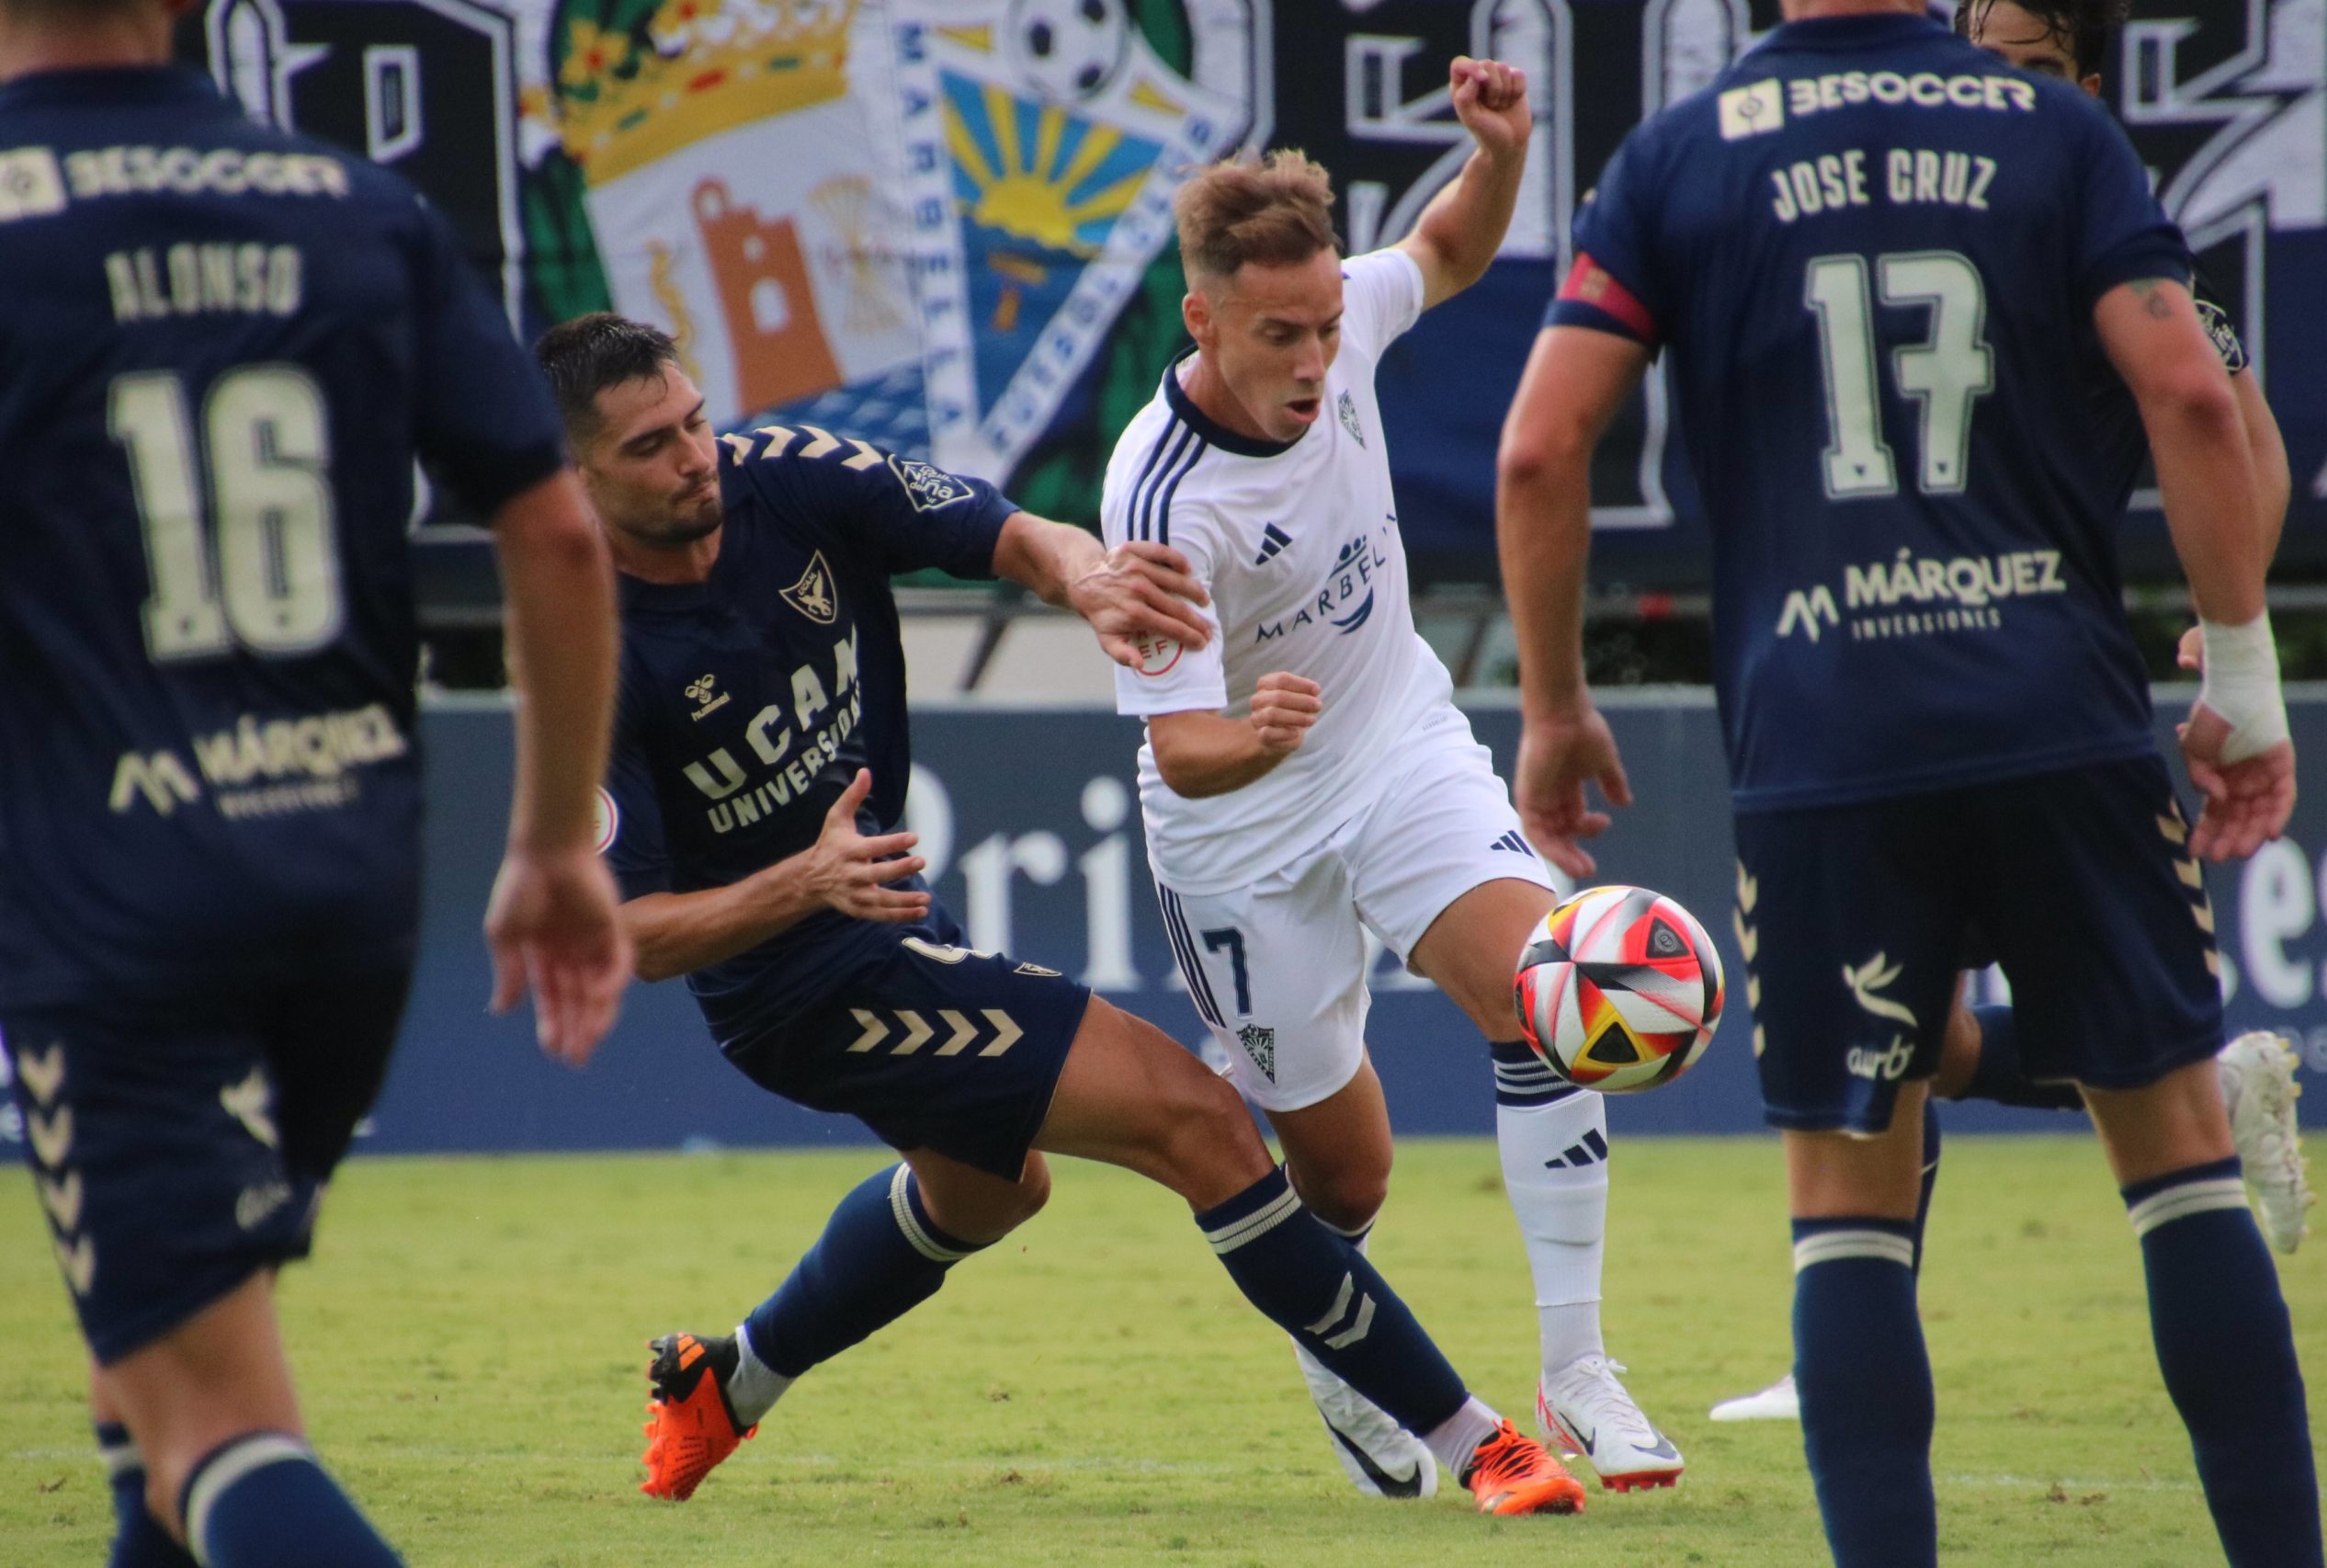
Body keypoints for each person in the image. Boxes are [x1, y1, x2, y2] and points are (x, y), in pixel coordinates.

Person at [1494, 0, 2321, 1558]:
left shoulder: (1677, 155)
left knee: (1849, 1209)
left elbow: (1540, 450)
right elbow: (2202, 399)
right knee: (2181, 1175)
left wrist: (1552, 704)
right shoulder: (2056, 133)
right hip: (2058, 711)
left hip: (1827, 738)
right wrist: (2244, 676)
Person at [531, 313, 1587, 1518]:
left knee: (991, 1195)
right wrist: (803, 884)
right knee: (1199, 1122)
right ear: (575, 475)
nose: (693, 458)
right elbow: (624, 935)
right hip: (798, 989)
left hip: (881, 924)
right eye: (650, 447)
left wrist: (1087, 578)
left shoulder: (788, 476)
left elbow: (1006, 531)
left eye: (693, 422)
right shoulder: (583, 653)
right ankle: (1479, 1442)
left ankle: (725, 1383)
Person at [0, 2, 633, 1565]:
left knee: (215, 1426)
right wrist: (556, 841)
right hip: (345, 882)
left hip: (115, 894)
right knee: (158, 1372)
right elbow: (557, 534)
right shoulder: (357, 207)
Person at [1703, 0, 2314, 1426]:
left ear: (2088, 85)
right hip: (1919, 691)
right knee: (1918, 1039)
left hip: (2032, 700)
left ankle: (1857, 1329)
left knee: (1910, 1044)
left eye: (2030, 65)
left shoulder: (2092, 218)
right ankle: (1865, 1324)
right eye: (1980, 55)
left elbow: (2233, 422)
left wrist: (2233, 631)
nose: (1994, 85)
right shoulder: (1930, 202)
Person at [1103, 57, 1681, 1504]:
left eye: (1323, 326)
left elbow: (1445, 248)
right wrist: (1260, 736)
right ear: (1203, 320)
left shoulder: (1344, 310)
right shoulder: (1161, 501)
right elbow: (1181, 751)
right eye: (1278, 335)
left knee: (1547, 992)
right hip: (1240, 834)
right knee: (1346, 1177)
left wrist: (1499, 155)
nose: (1315, 358)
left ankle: (1578, 1365)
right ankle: (1344, 1351)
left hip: (1394, 745)